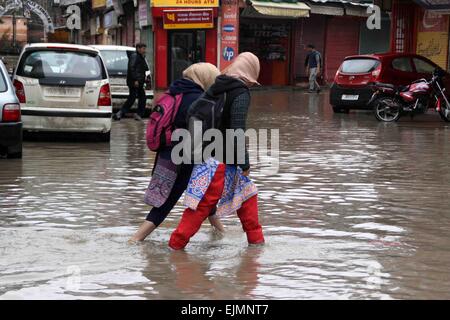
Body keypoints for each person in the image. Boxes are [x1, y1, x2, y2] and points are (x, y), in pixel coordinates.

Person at [168, 52, 265, 250]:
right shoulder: (241, 92)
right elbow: (237, 129)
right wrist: (245, 162)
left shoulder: (217, 85)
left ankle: (256, 248)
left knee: (245, 198)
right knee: (204, 207)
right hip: (224, 163)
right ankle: (175, 246)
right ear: (250, 72)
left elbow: (193, 110)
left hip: (208, 159)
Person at [130, 63, 224, 242]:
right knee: (169, 200)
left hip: (166, 153)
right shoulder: (198, 98)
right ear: (206, 78)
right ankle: (135, 239)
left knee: (204, 193)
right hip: (185, 155)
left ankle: (220, 232)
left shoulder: (174, 92)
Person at [114, 43, 149, 121]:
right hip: (135, 82)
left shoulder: (140, 57)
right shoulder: (134, 56)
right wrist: (135, 80)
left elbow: (143, 68)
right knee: (132, 98)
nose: (144, 50)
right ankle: (120, 113)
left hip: (139, 82)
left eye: (144, 49)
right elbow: (131, 68)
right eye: (143, 49)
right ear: (138, 49)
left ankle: (138, 114)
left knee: (142, 98)